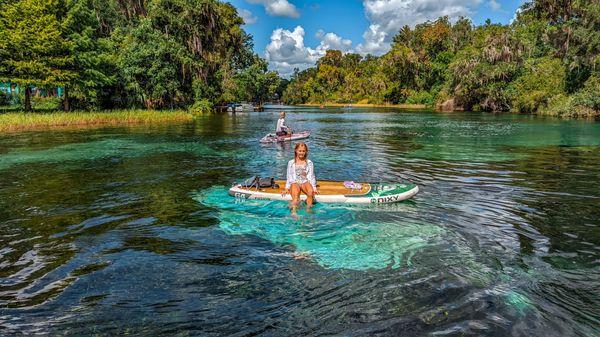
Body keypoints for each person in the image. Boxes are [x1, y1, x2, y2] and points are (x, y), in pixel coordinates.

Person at [282, 142, 318, 214]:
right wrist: (286, 188)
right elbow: (289, 176)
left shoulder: (309, 162)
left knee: (310, 192)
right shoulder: (291, 162)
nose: (301, 153)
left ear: (306, 151)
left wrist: (314, 188)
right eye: (300, 151)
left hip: (304, 181)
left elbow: (311, 176)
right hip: (294, 182)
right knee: (295, 196)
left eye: (303, 151)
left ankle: (308, 209)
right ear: (296, 151)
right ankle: (294, 212)